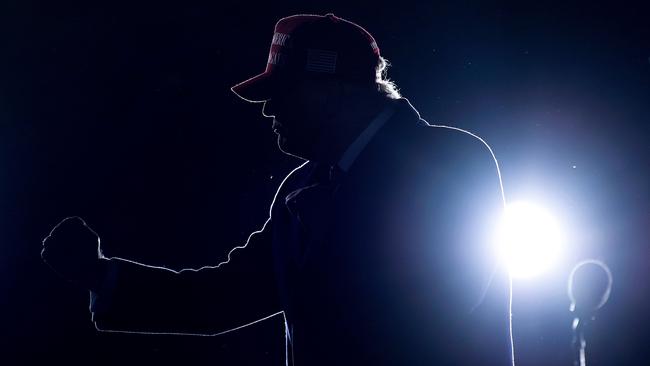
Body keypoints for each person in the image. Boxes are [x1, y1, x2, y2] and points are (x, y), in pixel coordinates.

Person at [42, 13, 513, 366]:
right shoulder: (303, 190)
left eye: (283, 94)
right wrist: (100, 276)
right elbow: (223, 299)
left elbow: (431, 310)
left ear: (338, 91)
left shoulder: (451, 161)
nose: (269, 111)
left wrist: (333, 218)